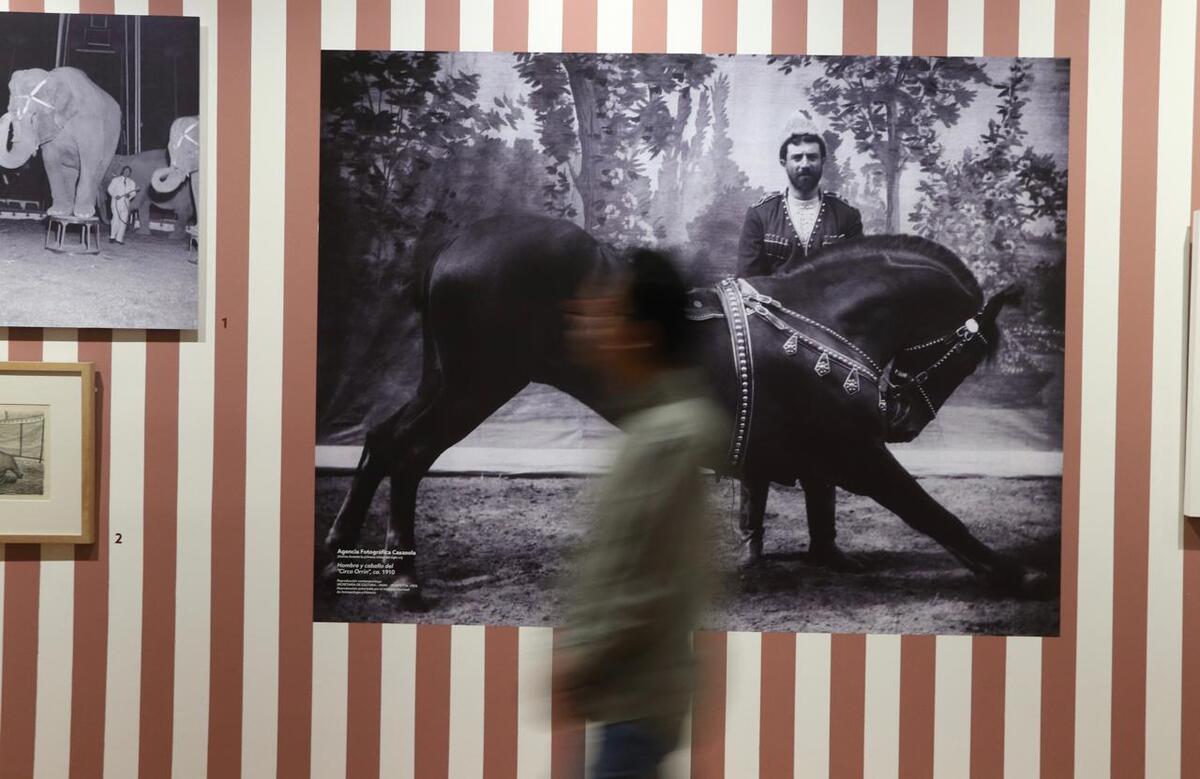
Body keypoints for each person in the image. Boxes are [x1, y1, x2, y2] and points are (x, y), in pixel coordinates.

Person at [555, 249, 725, 779]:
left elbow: (642, 582)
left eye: (605, 314)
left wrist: (581, 658)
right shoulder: (659, 429)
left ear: (641, 333)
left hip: (635, 707)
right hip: (628, 704)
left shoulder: (666, 437)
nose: (589, 327)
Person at [736, 126, 864, 279]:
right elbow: (748, 279)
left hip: (832, 301)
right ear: (784, 163)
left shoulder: (847, 215)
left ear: (822, 161)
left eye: (812, 157)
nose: (805, 164)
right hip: (773, 301)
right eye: (797, 158)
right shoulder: (760, 214)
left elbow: (858, 277)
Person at [107, 165, 138, 244]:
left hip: (126, 204)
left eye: (128, 171)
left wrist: (129, 196)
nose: (127, 172)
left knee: (123, 220)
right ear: (123, 171)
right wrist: (114, 195)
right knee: (115, 219)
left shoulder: (132, 182)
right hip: (116, 203)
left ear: (130, 173)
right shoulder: (115, 180)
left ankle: (119, 239)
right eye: (125, 170)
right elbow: (110, 189)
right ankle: (112, 236)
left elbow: (133, 193)